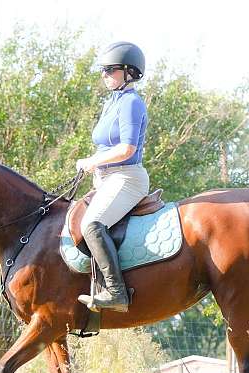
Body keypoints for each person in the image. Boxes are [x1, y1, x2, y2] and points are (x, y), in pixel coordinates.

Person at [75, 41, 150, 313]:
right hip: (107, 178)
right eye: (103, 70)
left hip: (127, 177)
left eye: (110, 70)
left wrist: (92, 161)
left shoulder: (131, 102)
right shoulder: (112, 102)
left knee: (92, 225)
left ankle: (116, 292)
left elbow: (126, 148)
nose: (104, 75)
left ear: (128, 72)